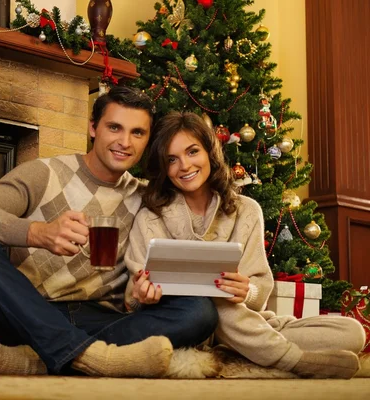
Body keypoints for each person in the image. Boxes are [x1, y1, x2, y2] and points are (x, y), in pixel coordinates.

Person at [0, 87, 218, 378]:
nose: (124, 142)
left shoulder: (146, 198)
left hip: (102, 320)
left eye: (138, 133)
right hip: (27, 311)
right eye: (114, 127)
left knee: (199, 311)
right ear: (93, 128)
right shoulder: (44, 174)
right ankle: (86, 356)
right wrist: (37, 233)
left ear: (148, 139)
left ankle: (44, 359)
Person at [124, 111, 365, 379]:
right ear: (163, 167)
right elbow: (133, 297)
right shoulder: (149, 217)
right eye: (172, 159)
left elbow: (259, 291)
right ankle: (292, 360)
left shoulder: (247, 211)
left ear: (209, 152)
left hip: (243, 324)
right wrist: (140, 295)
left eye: (193, 152)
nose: (184, 166)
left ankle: (243, 351)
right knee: (211, 301)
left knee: (352, 332)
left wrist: (246, 291)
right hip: (184, 324)